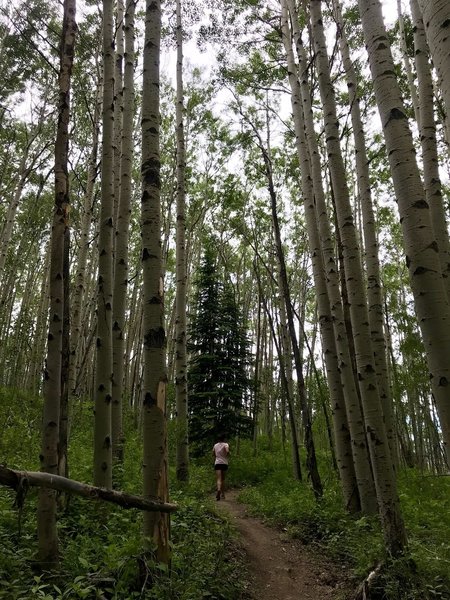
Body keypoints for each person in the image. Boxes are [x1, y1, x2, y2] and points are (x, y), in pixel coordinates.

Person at [212, 434, 230, 501]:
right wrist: (227, 455)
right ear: (224, 439)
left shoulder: (215, 445)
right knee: (223, 479)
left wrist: (216, 456)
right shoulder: (226, 444)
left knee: (218, 479)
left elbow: (213, 453)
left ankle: (218, 489)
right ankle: (223, 494)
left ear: (218, 439)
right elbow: (227, 451)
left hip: (217, 463)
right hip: (224, 463)